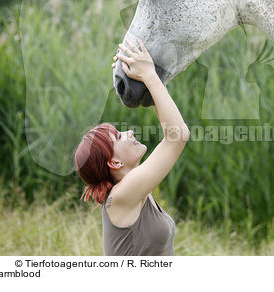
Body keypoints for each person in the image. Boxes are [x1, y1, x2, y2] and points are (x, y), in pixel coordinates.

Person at [74, 37, 190, 256]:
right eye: (118, 136)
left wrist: (147, 77)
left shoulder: (134, 188)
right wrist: (148, 74)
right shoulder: (121, 196)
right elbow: (178, 135)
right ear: (114, 162)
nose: (129, 133)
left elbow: (173, 132)